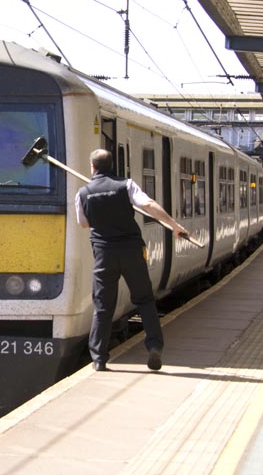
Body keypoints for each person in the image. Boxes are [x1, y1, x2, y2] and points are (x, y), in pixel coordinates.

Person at [75, 149, 189, 372]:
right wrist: (174, 226)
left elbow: (84, 224)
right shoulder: (126, 185)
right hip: (131, 251)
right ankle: (154, 346)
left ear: (93, 167)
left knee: (102, 306)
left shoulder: (83, 193)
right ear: (111, 165)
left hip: (104, 254)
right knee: (145, 300)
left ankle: (98, 359)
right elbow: (148, 205)